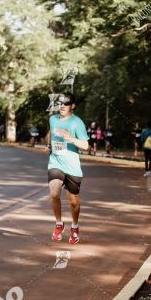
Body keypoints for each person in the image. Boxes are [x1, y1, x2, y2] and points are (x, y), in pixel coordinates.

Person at [45, 93, 89, 244]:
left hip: (72, 166)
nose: (62, 105)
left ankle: (75, 226)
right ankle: (59, 223)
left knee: (74, 201)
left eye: (66, 103)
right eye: (60, 103)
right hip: (55, 162)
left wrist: (70, 138)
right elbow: (50, 132)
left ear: (73, 106)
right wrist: (49, 145)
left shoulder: (77, 123)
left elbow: (85, 145)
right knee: (54, 193)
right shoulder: (53, 119)